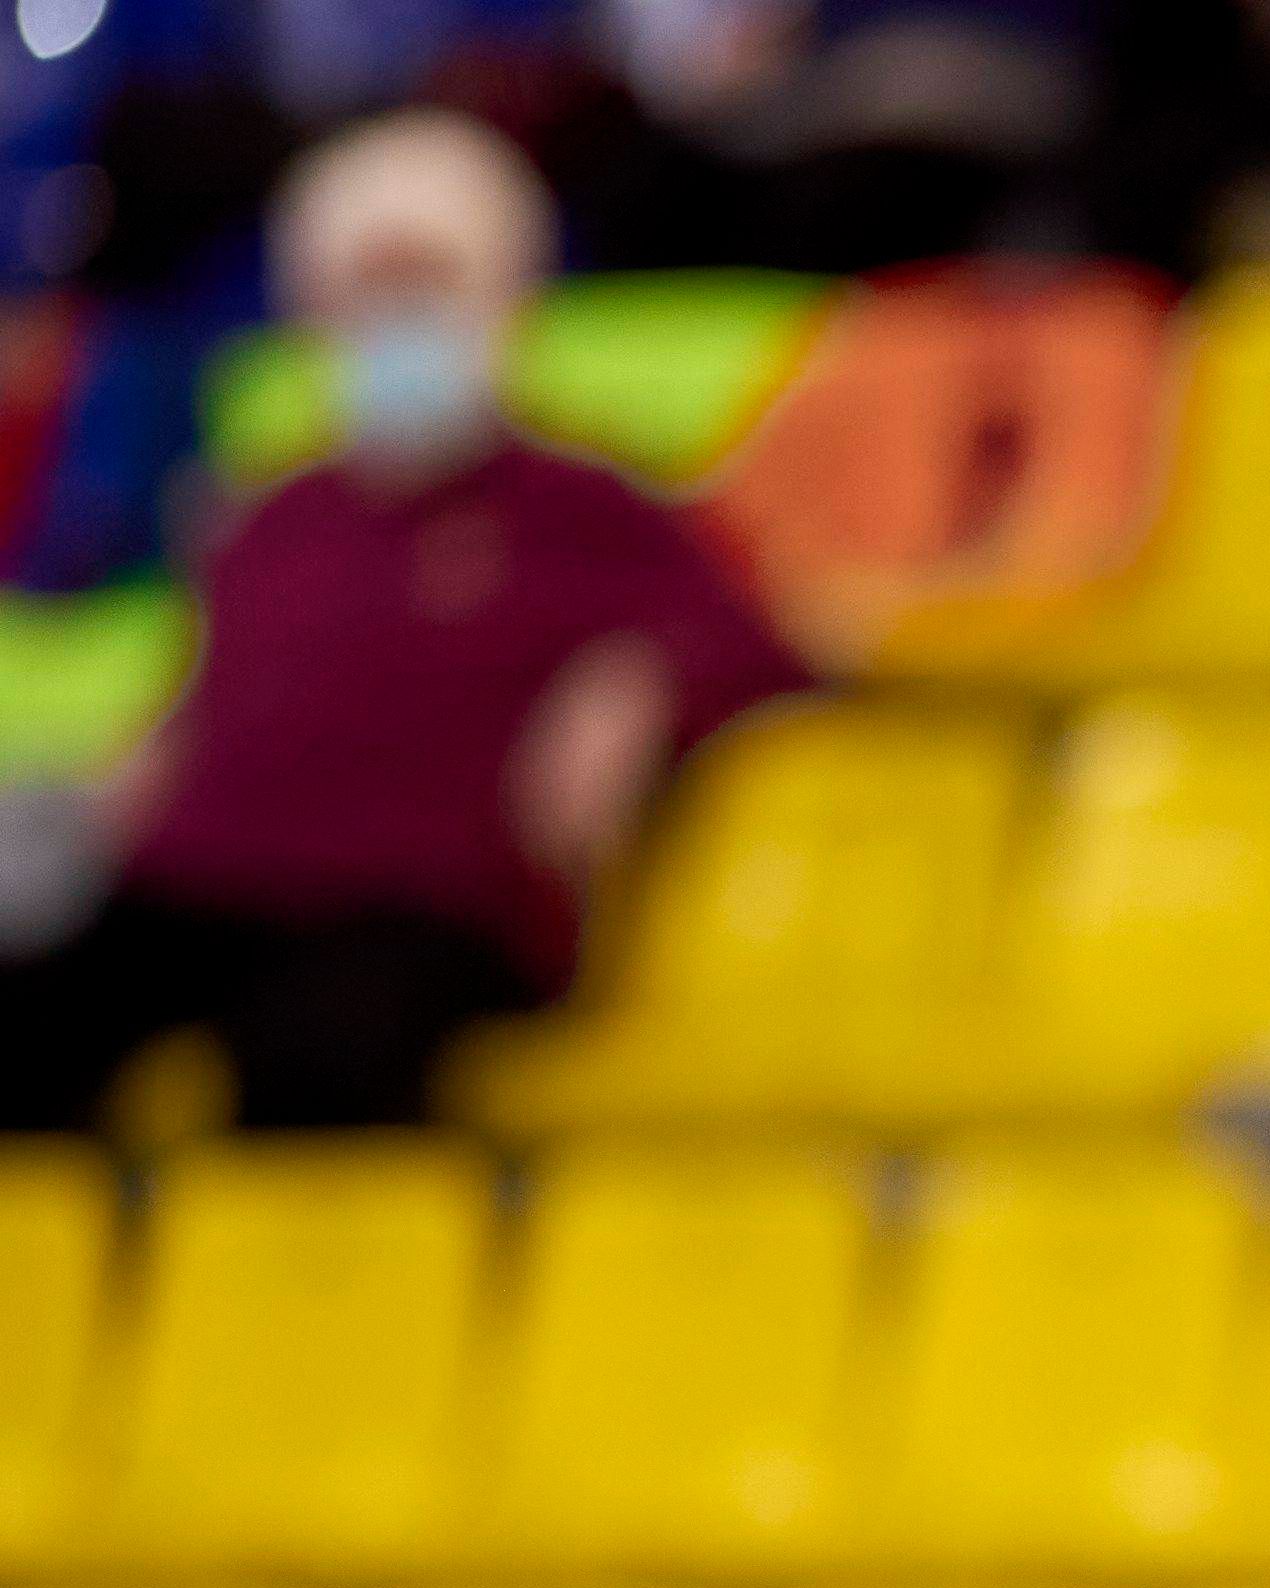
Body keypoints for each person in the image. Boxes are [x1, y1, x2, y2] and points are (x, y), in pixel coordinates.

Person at [0, 111, 803, 1135]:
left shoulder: (583, 503)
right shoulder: (274, 514)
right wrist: (157, 752)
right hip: (213, 885)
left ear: (499, 298)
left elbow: (765, 643)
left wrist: (643, 682)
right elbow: (210, 698)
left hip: (427, 905)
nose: (396, 322)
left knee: (312, 1058)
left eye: (425, 284)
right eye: (367, 293)